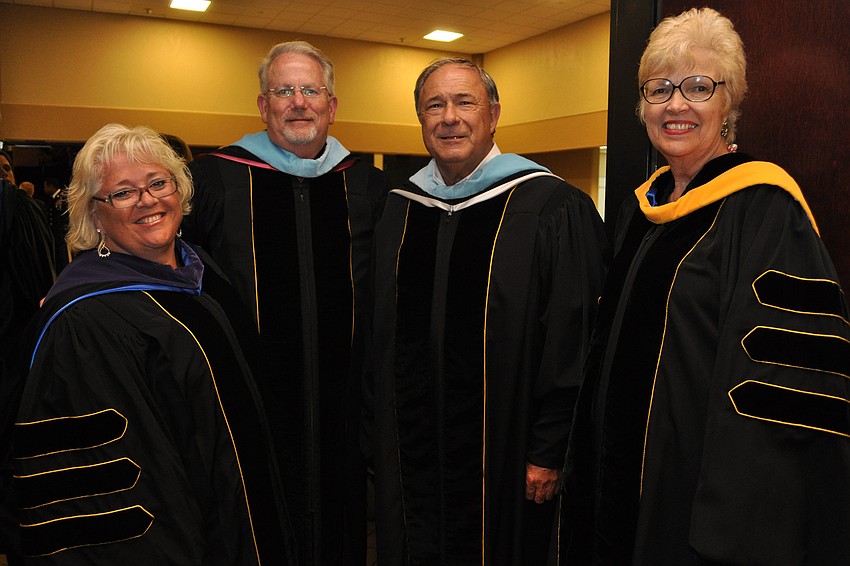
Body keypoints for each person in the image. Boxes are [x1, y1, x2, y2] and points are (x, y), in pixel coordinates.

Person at [560, 8, 850, 565]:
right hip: (609, 491)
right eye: (659, 88)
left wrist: (728, 529)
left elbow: (780, 387)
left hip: (694, 506)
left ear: (729, 104)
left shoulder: (765, 210)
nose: (676, 105)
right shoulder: (638, 210)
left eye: (698, 87)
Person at [2, 124, 294, 564]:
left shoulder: (202, 271)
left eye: (158, 182)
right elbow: (108, 489)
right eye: (122, 192)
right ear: (94, 214)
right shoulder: (85, 320)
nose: (148, 200)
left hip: (244, 514)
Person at [369, 57, 609, 565]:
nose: (449, 117)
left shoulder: (551, 206)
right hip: (412, 456)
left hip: (505, 455)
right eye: (434, 105)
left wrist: (549, 449)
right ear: (420, 118)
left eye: (465, 102)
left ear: (494, 114)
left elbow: (574, 339)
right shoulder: (400, 208)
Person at [182, 40, 389, 565]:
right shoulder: (212, 181)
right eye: (283, 90)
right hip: (246, 406)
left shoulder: (369, 189)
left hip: (344, 414)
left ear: (331, 105)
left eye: (310, 90)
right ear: (262, 105)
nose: (298, 102)